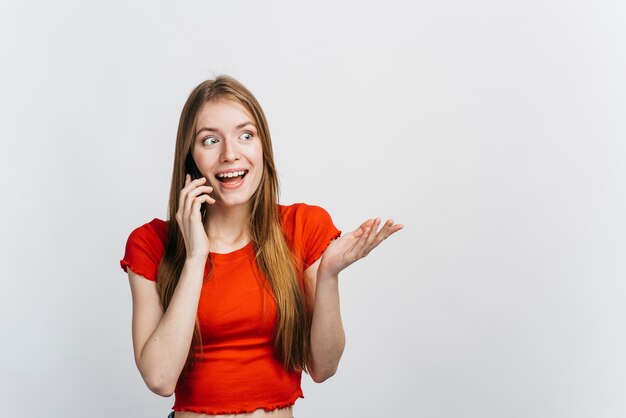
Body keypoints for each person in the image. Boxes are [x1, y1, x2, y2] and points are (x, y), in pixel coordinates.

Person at [119, 75, 403, 418]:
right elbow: (160, 378)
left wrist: (328, 274)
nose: (230, 154)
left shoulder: (303, 227)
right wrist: (196, 256)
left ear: (262, 147)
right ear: (191, 158)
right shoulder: (150, 244)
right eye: (210, 140)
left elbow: (323, 367)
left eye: (245, 135)